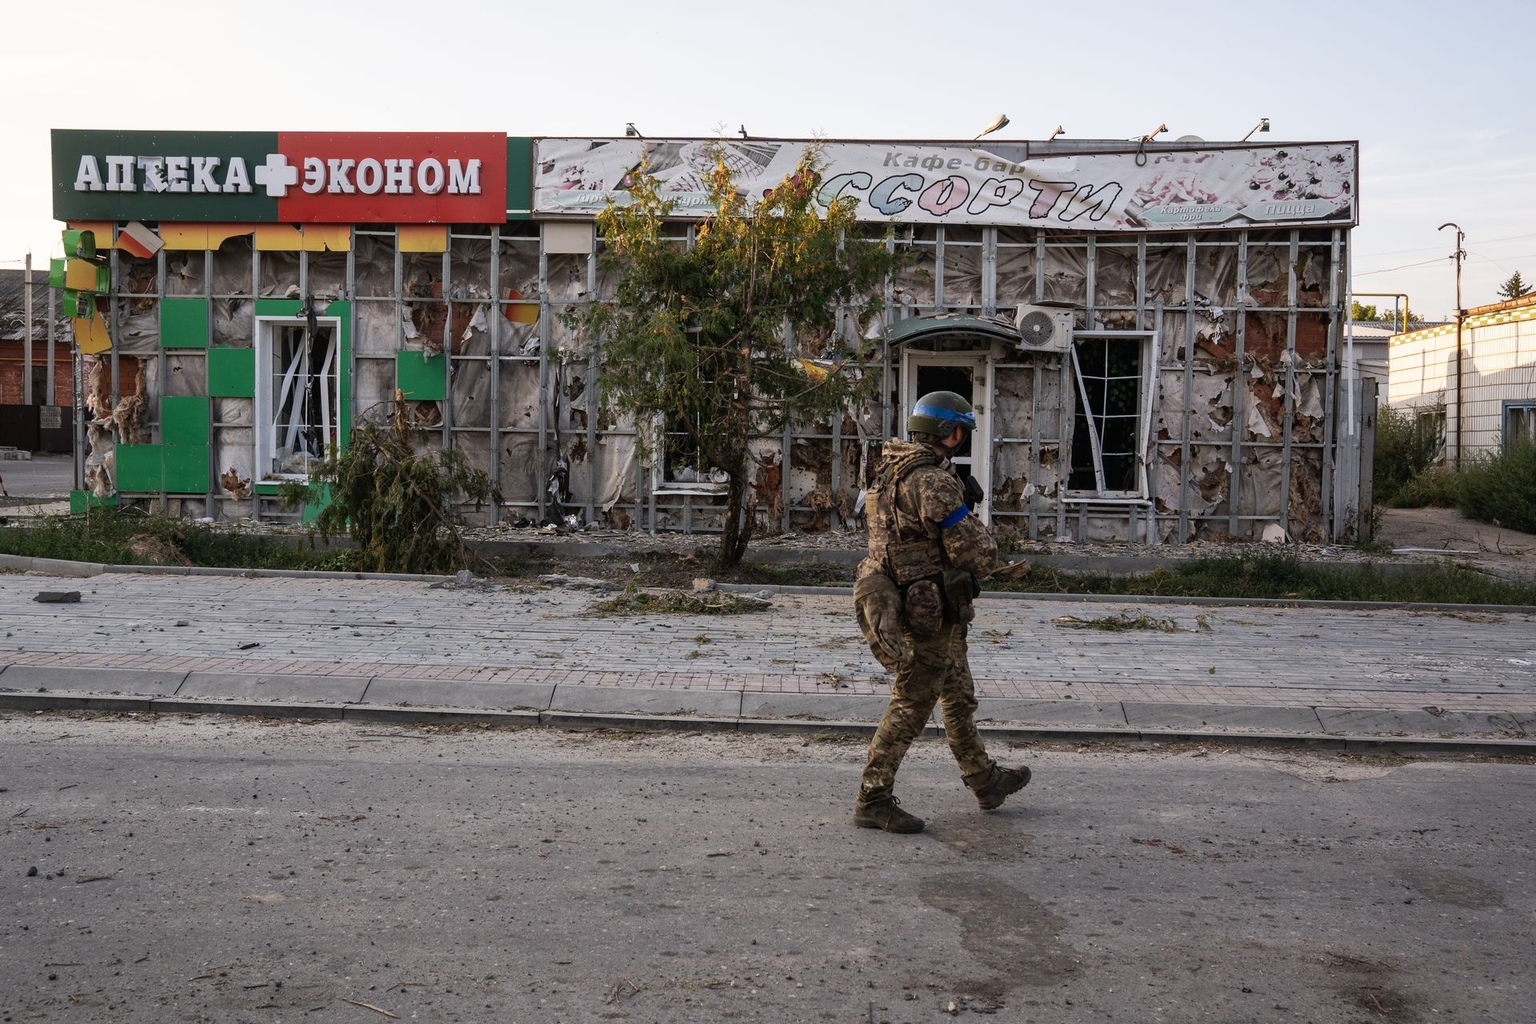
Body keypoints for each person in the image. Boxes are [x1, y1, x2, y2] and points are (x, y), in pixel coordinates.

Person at [851, 390, 1031, 833]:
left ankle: (984, 780)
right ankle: (873, 798)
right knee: (912, 703)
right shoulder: (931, 480)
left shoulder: (888, 470)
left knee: (957, 696)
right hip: (927, 607)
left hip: (926, 602)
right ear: (951, 433)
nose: (963, 438)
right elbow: (974, 551)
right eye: (963, 431)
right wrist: (987, 539)